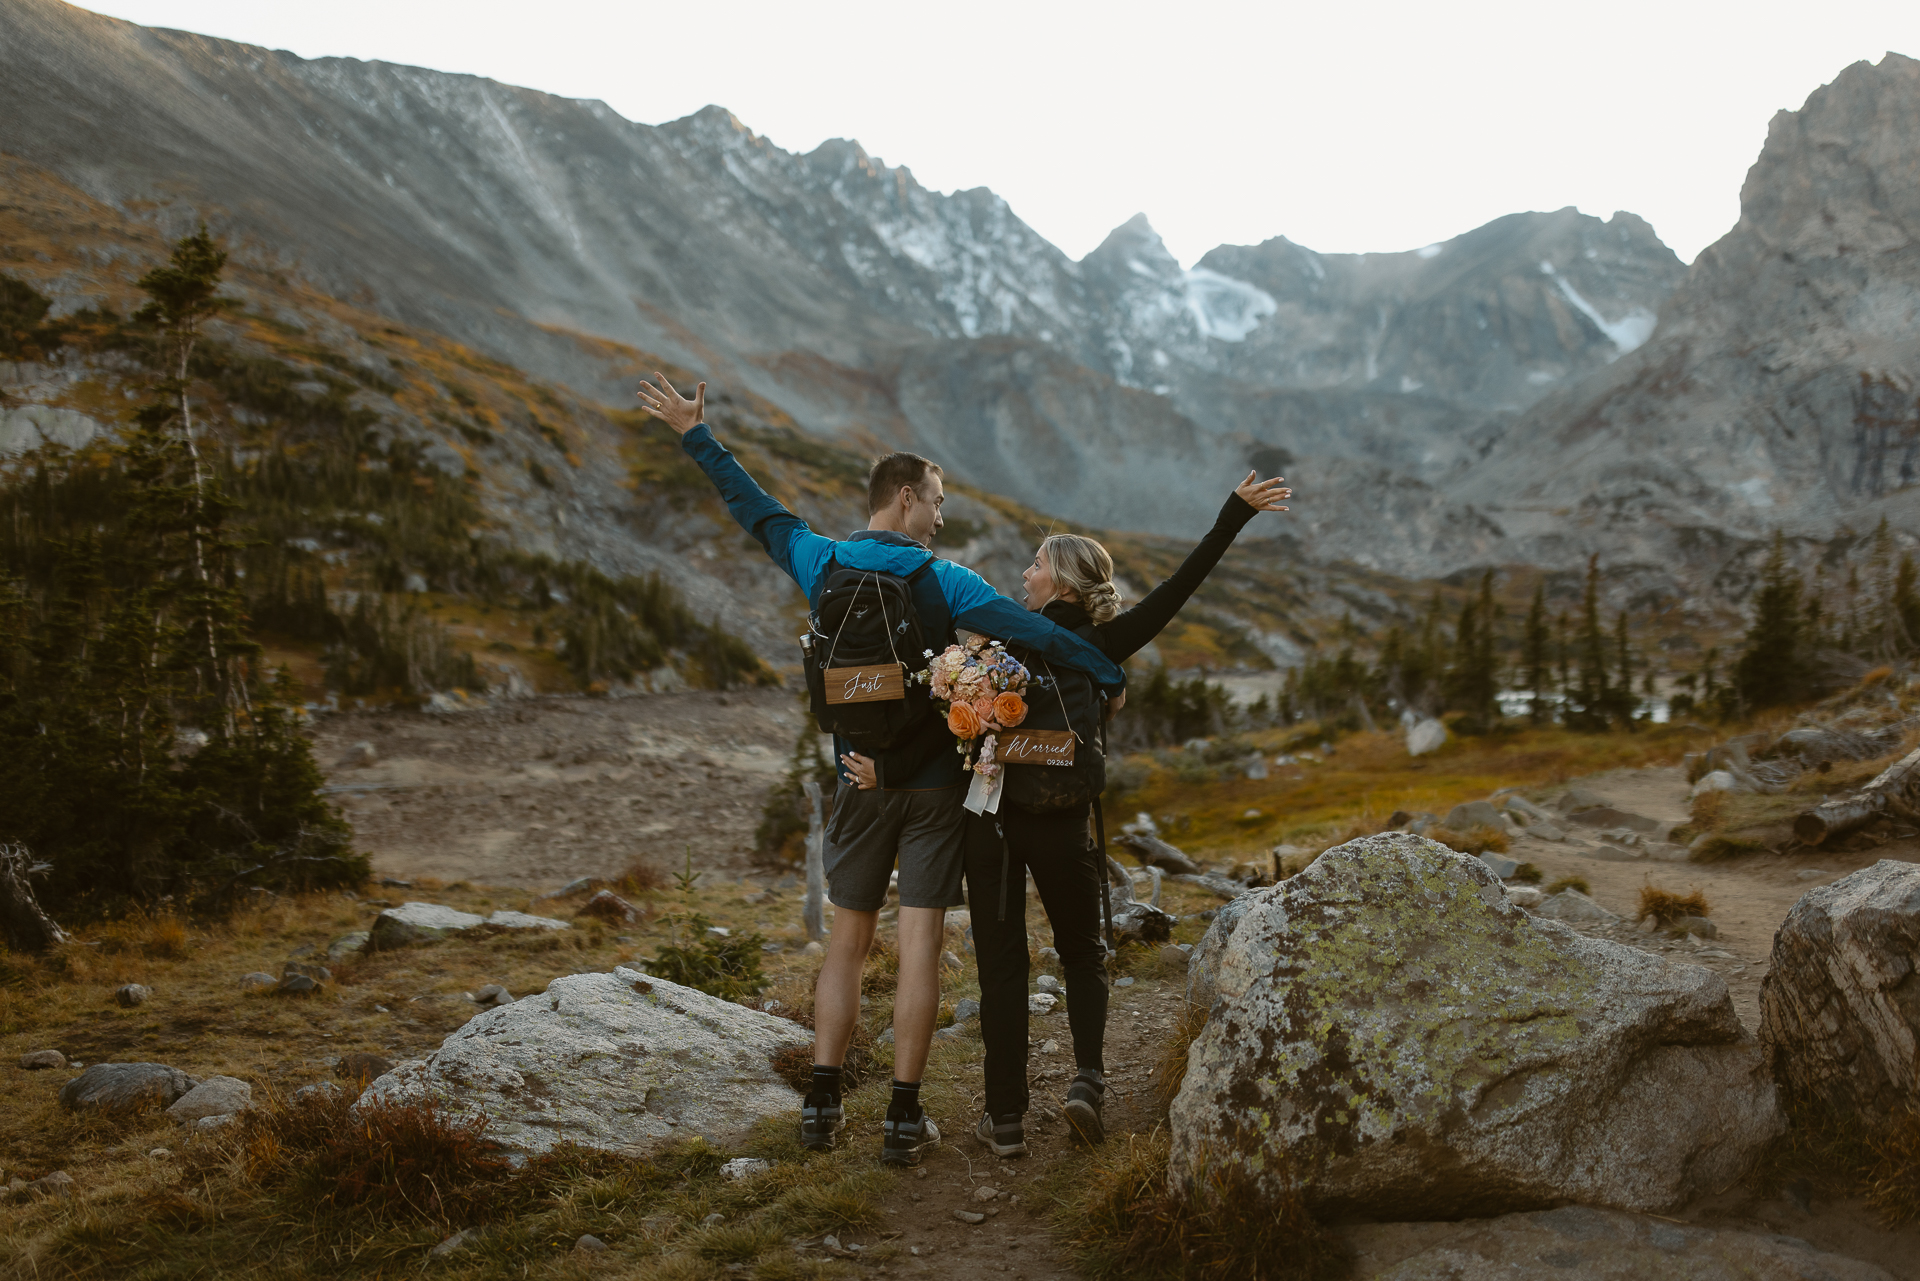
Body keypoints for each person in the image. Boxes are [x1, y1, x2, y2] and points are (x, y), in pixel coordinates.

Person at [635, 372, 1126, 1168]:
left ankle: (823, 1103)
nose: (941, 513)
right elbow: (1041, 638)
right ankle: (902, 1114)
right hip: (932, 793)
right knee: (921, 946)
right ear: (904, 497)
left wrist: (697, 435)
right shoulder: (950, 580)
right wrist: (1103, 674)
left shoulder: (818, 559)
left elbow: (753, 507)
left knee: (846, 945)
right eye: (935, 499)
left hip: (855, 782)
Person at [964, 472, 1289, 1156]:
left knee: (1002, 965)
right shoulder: (1104, 646)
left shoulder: (1001, 643)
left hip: (995, 821)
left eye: (1035, 563)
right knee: (1083, 952)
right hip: (1065, 819)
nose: (1023, 573)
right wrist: (1232, 514)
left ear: (1063, 583)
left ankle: (1006, 1116)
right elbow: (1180, 587)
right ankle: (1086, 1081)